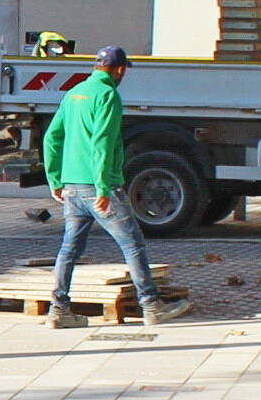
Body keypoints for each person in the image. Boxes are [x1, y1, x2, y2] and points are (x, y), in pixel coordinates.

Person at [45, 45, 176, 329]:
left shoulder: (74, 93)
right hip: (98, 186)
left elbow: (51, 137)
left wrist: (55, 179)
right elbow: (102, 143)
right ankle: (151, 305)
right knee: (132, 244)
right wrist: (103, 188)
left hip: (72, 185)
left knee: (69, 248)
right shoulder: (108, 95)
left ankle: (59, 309)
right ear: (120, 69)